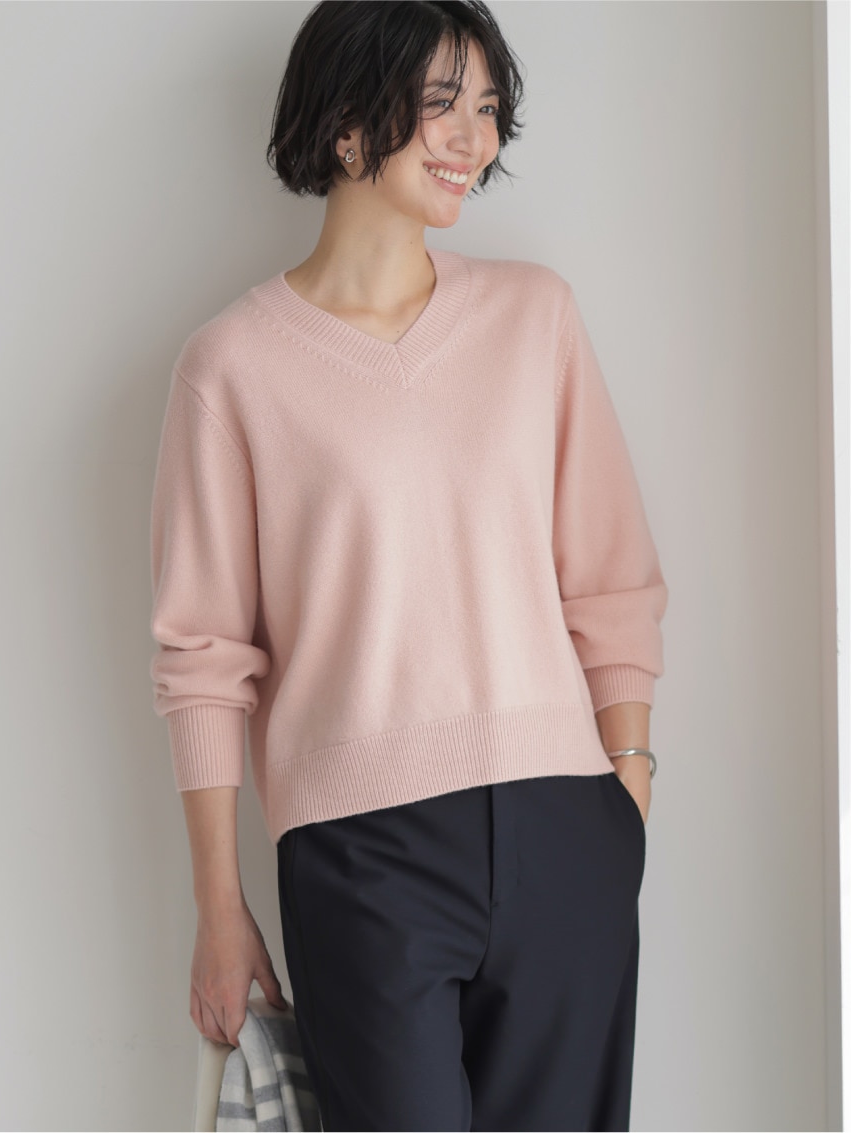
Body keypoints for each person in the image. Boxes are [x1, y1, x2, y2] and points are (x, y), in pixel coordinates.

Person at [148, 2, 668, 1129]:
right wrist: (219, 903)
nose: (474, 137)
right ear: (346, 122)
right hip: (360, 852)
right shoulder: (231, 368)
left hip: (564, 821)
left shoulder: (534, 317)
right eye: (442, 103)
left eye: (488, 108)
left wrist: (626, 785)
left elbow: (610, 579)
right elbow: (203, 656)